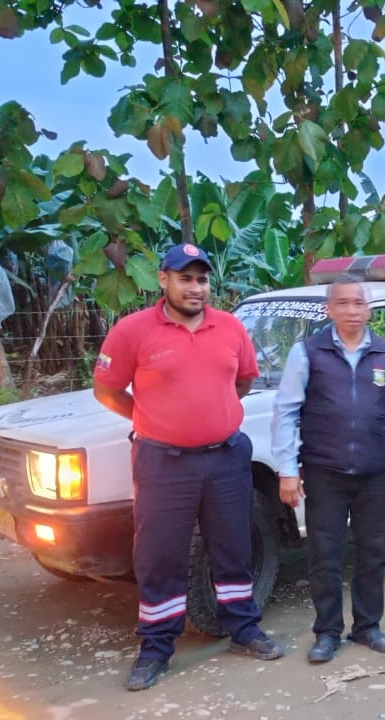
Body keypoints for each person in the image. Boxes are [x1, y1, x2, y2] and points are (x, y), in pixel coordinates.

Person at [93, 243, 282, 692]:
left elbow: (243, 380)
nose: (195, 287)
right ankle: (156, 647)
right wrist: (150, 418)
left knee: (233, 545)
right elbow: (107, 389)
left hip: (226, 457)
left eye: (202, 279)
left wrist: (211, 414)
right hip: (163, 462)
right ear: (163, 280)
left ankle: (243, 628)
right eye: (185, 278)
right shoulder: (132, 330)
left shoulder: (230, 327)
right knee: (159, 554)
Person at [272, 275, 385, 664]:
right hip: (325, 473)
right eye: (343, 303)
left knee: (374, 552)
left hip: (374, 474)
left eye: (358, 303)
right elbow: (286, 412)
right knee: (324, 554)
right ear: (329, 309)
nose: (352, 310)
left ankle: (367, 626)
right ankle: (327, 632)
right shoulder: (307, 353)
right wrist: (287, 469)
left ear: (369, 309)